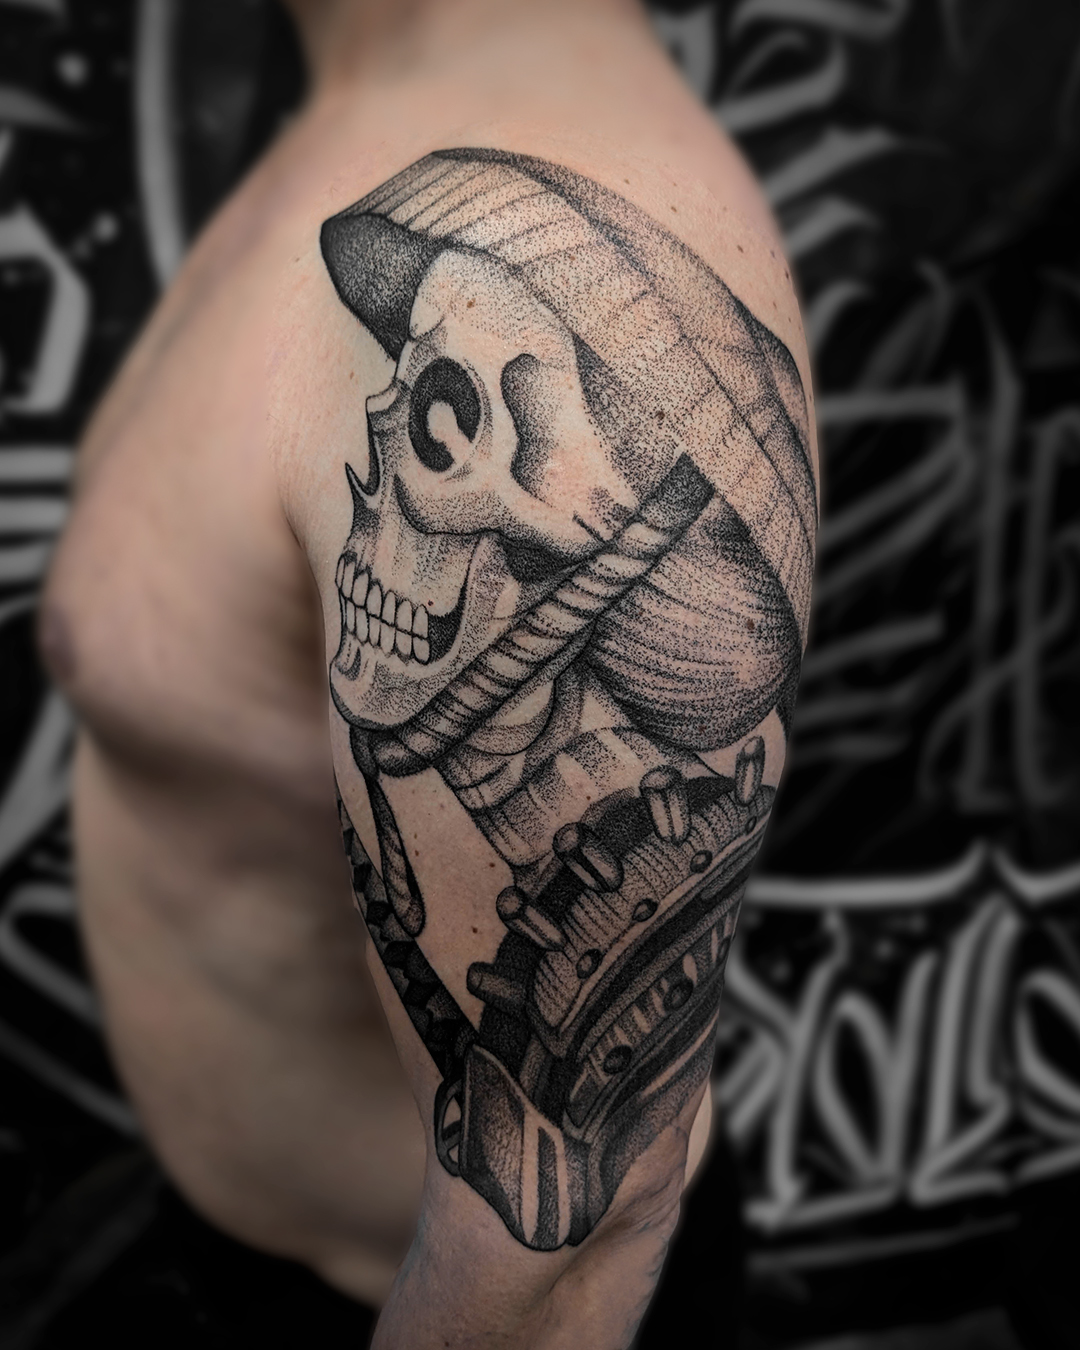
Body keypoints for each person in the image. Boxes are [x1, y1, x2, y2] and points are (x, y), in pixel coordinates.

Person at [39, 0, 816, 1344]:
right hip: (232, 1249)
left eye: (451, 420)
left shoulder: (586, 166)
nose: (386, 435)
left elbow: (560, 1243)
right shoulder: (359, 123)